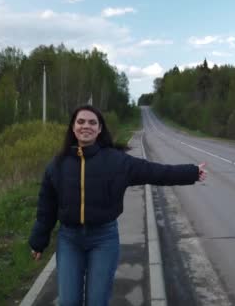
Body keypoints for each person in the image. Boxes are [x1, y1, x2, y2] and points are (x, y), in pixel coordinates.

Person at [29, 105, 206, 306]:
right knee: (69, 301)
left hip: (103, 239)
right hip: (70, 240)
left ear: (100, 129)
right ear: (72, 127)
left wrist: (191, 172)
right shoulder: (57, 165)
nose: (86, 126)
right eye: (81, 122)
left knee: (97, 301)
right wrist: (38, 241)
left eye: (92, 122)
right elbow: (46, 207)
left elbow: (156, 172)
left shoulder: (116, 161)